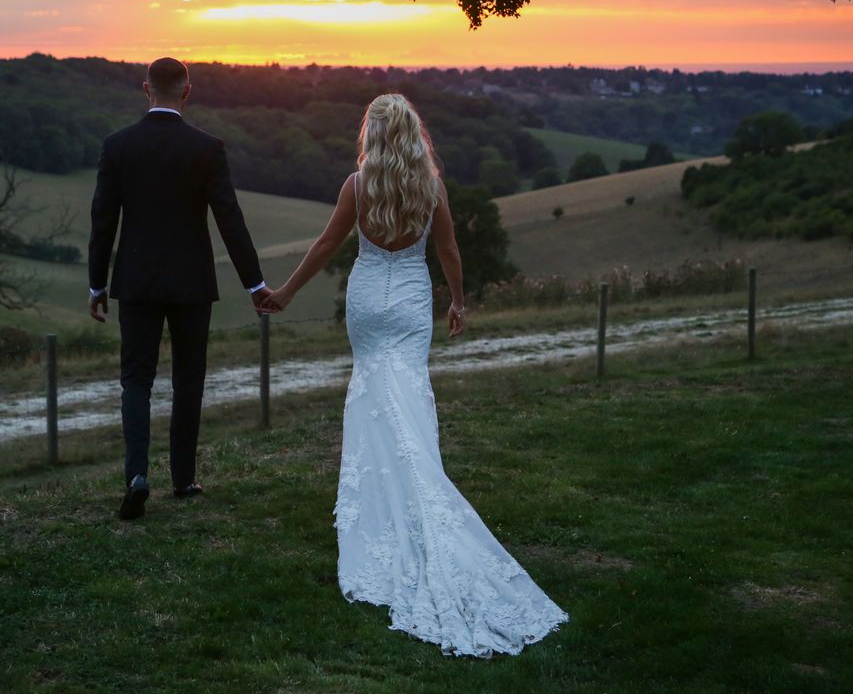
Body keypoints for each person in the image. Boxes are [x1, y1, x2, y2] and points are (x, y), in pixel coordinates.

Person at [265, 93, 567, 657]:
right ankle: (417, 481)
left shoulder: (357, 185)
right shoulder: (431, 186)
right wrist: (458, 300)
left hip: (366, 301)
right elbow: (448, 248)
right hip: (408, 300)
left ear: (373, 134)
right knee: (405, 392)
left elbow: (327, 244)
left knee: (373, 395)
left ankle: (386, 498)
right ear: (412, 133)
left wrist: (285, 292)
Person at [88, 57, 273, 521]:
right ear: (187, 92)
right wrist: (255, 282)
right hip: (192, 282)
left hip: (136, 281)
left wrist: (97, 284)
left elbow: (103, 220)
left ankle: (136, 475)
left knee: (136, 379)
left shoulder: (118, 145)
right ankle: (184, 479)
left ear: (145, 88)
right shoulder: (207, 148)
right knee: (188, 379)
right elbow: (229, 219)